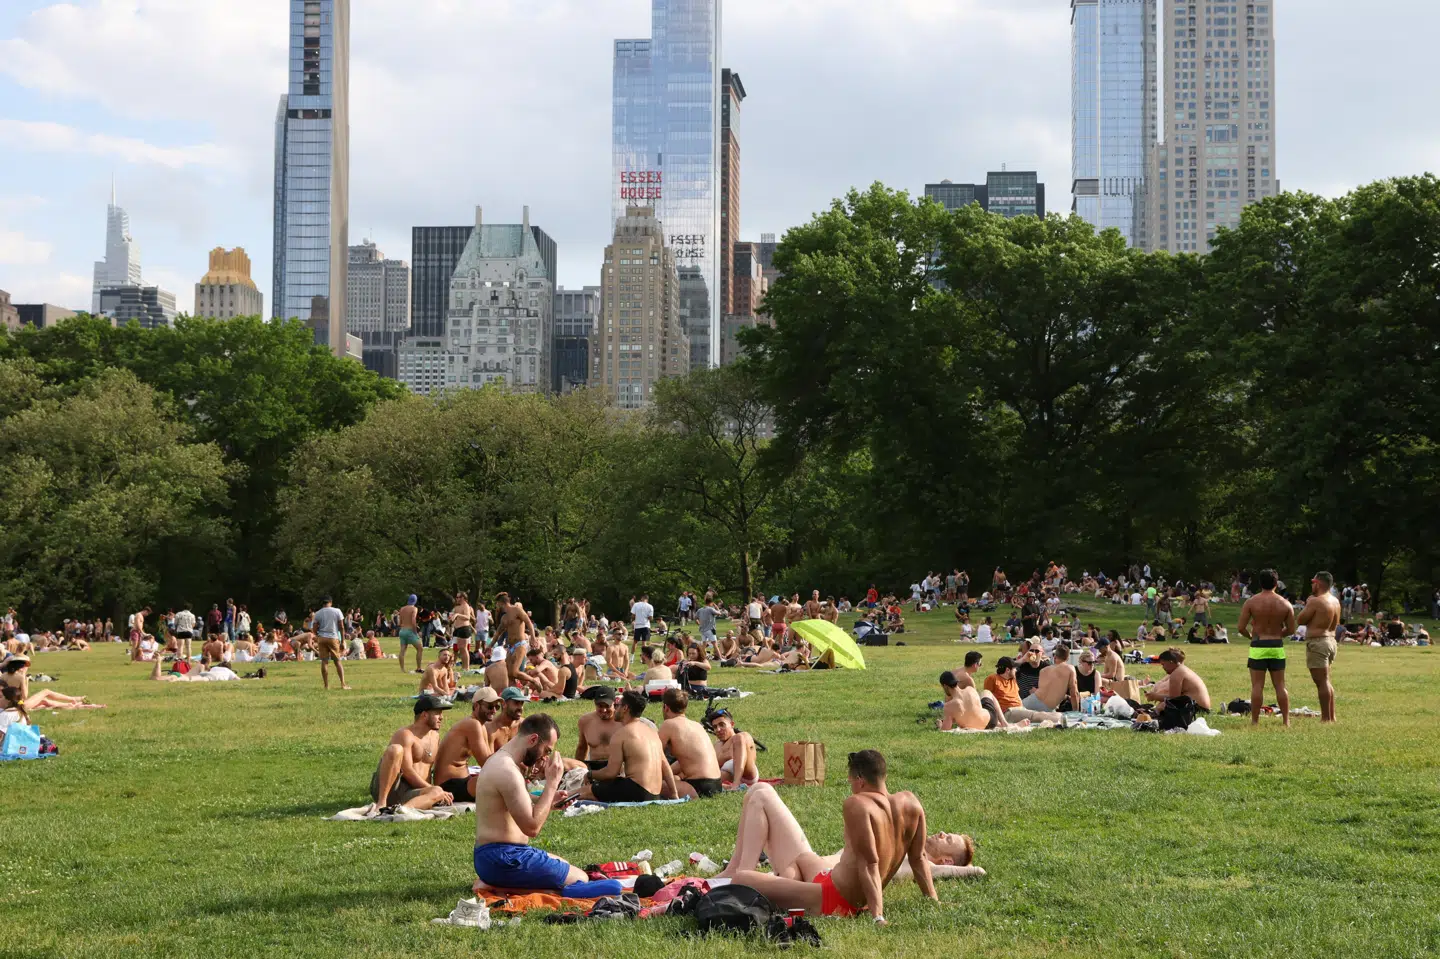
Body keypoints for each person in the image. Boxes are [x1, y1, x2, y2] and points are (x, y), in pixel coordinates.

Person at [725, 750, 937, 924]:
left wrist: (877, 916)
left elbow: (869, 863)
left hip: (835, 900)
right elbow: (918, 858)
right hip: (834, 880)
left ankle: (782, 890)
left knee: (741, 879)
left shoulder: (858, 804)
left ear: (860, 780)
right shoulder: (911, 803)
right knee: (804, 858)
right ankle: (785, 886)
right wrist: (932, 900)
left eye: (851, 782)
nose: (852, 788)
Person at [472, 713, 590, 892]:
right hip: (504, 859)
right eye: (547, 750)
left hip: (495, 857)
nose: (544, 758)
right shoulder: (507, 771)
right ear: (533, 739)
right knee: (581, 879)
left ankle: (497, 883)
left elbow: (514, 803)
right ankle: (497, 887)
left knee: (565, 865)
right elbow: (532, 828)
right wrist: (552, 783)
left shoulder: (501, 761)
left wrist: (549, 802)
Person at [580, 690, 677, 802]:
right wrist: (674, 794)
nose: (616, 709)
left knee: (586, 791)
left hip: (637, 791)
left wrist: (590, 774)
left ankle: (561, 799)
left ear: (625, 708)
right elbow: (665, 766)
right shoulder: (651, 732)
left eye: (618, 705)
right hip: (654, 794)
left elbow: (611, 773)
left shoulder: (622, 734)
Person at [370, 695, 454, 812]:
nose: (441, 717)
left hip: (412, 792)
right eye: (437, 713)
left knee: (437, 792)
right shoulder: (405, 735)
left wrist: (436, 791)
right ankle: (381, 803)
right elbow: (407, 771)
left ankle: (400, 810)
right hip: (394, 789)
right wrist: (431, 788)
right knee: (395, 749)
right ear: (424, 715)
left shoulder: (435, 737)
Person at [1238, 568, 1296, 726]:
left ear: (1260, 583)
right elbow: (1291, 629)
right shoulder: (1285, 603)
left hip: (1258, 645)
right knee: (1280, 686)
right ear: (1276, 583)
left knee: (1257, 686)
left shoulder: (1251, 602)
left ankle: (1255, 722)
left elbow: (1241, 628)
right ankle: (1286, 721)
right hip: (1276, 646)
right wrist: (1279, 635)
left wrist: (1251, 636)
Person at [433, 687, 502, 802]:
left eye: (497, 707)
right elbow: (486, 763)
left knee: (501, 779)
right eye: (490, 706)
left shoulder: (481, 725)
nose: (494, 711)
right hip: (448, 786)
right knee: (496, 781)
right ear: (476, 706)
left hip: (461, 781)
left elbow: (490, 761)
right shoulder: (472, 724)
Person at [658, 689, 725, 798]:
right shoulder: (697, 725)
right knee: (674, 778)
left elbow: (653, 754)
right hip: (717, 785)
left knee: (649, 785)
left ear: (666, 707)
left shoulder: (668, 725)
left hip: (698, 786)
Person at [1295, 570, 1341, 723]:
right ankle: (1331, 716)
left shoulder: (1316, 601)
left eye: (1312, 582)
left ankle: (1325, 718)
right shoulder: (1335, 601)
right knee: (1326, 680)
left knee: (1321, 682)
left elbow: (1300, 620)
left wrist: (1308, 603)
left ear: (1318, 583)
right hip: (1331, 641)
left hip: (1318, 643)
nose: (1311, 585)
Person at [1, 656, 100, 710]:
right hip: (19, 705)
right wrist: (26, 681)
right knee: (46, 691)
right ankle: (73, 700)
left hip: (5, 705)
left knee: (44, 701)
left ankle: (73, 705)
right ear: (21, 667)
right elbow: (24, 696)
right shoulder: (21, 677)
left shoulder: (3, 675)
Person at [983, 657, 1061, 724]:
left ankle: (1061, 718)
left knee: (1044, 713)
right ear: (1007, 670)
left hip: (1020, 709)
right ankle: (1062, 721)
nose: (1016, 670)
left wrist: (1023, 708)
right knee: (1038, 716)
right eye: (1014, 668)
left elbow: (1017, 697)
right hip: (1008, 712)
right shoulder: (992, 679)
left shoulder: (1012, 680)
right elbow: (987, 699)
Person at [1145, 648, 1212, 711]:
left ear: (1171, 662)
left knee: (1161, 706)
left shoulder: (1176, 674)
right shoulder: (1181, 669)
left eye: (1163, 664)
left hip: (1198, 707)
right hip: (1200, 706)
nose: (1163, 667)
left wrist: (1155, 696)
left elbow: (1174, 699)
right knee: (1161, 706)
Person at [938, 670, 1007, 731]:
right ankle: (1004, 722)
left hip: (973, 727)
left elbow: (945, 730)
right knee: (986, 692)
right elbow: (976, 708)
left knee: (985, 693)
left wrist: (940, 725)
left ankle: (1000, 723)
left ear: (945, 686)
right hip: (991, 721)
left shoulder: (948, 706)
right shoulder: (970, 690)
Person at [575, 687, 621, 771]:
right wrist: (577, 769)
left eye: (607, 706)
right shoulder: (585, 721)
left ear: (614, 703)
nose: (604, 710)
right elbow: (582, 748)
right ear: (594, 703)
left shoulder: (623, 721)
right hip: (594, 766)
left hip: (617, 767)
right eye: (600, 706)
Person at [1024, 645, 1080, 714]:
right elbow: (1074, 693)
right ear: (1068, 658)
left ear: (1055, 657)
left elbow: (1044, 690)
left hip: (1031, 701)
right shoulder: (1070, 669)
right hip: (1047, 708)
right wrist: (1076, 712)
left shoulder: (1043, 670)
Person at [310, 597, 351, 691]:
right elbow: (341, 626)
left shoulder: (318, 613)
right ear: (331, 602)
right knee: (337, 661)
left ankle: (326, 686)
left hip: (322, 638)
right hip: (333, 638)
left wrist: (319, 635)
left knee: (324, 661)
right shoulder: (337, 611)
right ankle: (343, 684)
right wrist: (342, 640)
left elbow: (314, 629)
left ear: (323, 603)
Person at [712, 709, 759, 787]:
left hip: (746, 774)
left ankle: (736, 784)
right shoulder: (717, 745)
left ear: (732, 724)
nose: (718, 729)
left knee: (739, 737)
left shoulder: (743, 737)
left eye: (722, 725)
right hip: (727, 774)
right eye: (715, 727)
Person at [396, 595, 423, 674]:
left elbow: (399, 622)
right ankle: (418, 668)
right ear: (415, 601)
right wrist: (415, 631)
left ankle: (402, 669)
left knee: (402, 650)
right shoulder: (414, 608)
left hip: (402, 631)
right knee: (420, 648)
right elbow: (413, 620)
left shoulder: (402, 609)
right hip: (410, 631)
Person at [451, 592, 476, 670]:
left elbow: (468, 617)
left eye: (458, 597)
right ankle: (462, 667)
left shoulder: (466, 606)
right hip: (457, 629)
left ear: (463, 598)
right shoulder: (457, 607)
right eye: (456, 597)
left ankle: (466, 667)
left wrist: (457, 615)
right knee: (458, 649)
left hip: (464, 628)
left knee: (464, 649)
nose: (456, 599)